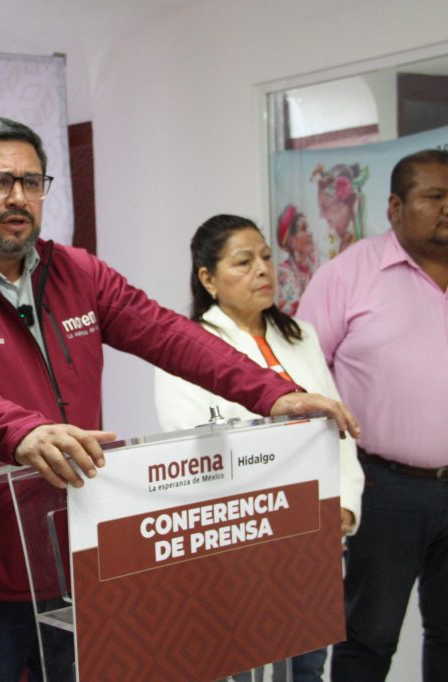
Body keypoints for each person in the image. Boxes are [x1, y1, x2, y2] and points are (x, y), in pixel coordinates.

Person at [0, 116, 361, 682]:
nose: (19, 198)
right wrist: (22, 432)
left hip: (80, 560)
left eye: (32, 182)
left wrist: (275, 395)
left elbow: (170, 335)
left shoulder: (77, 272)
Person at [297, 150, 448, 682]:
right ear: (395, 207)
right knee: (369, 637)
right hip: (385, 489)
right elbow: (306, 380)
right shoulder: (347, 277)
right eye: (434, 196)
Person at [154, 214, 364, 682]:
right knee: (240, 669)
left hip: (313, 538)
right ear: (208, 279)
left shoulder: (301, 336)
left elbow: (339, 427)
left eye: (266, 257)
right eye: (244, 262)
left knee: (308, 668)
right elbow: (195, 448)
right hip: (240, 540)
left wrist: (345, 507)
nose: (263, 270)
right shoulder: (184, 347)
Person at [310, 162, 368, 258]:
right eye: (320, 208)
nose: (321, 215)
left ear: (349, 201)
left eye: (325, 207)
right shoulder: (324, 242)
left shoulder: (370, 237)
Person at [275, 204, 319, 315]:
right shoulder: (284, 271)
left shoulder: (314, 262)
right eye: (304, 229)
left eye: (308, 227)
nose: (310, 233)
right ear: (291, 241)